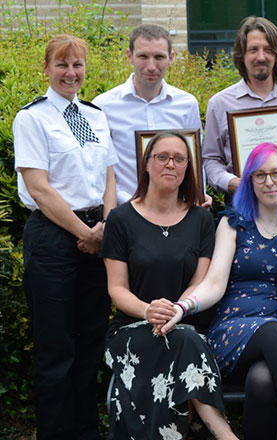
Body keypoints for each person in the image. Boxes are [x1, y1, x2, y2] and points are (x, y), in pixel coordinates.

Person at [160, 142, 277, 439]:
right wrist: (183, 306)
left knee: (263, 379)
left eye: (276, 173)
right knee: (275, 334)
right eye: (259, 175)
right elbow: (214, 283)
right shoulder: (233, 223)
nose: (269, 181)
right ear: (249, 182)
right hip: (235, 329)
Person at [13, 34, 117, 440]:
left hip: (97, 234)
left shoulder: (95, 115)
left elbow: (109, 174)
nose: (71, 73)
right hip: (55, 238)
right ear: (46, 68)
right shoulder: (32, 118)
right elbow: (39, 188)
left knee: (91, 341)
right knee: (56, 349)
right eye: (62, 64)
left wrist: (106, 227)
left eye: (77, 65)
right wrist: (85, 233)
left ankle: (86, 432)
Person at [101, 132, 237, 439]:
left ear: (188, 167)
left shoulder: (201, 218)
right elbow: (117, 289)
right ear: (147, 164)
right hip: (131, 328)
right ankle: (224, 435)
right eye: (162, 157)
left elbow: (199, 281)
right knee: (181, 343)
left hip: (184, 323)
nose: (170, 164)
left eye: (179, 159)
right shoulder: (120, 220)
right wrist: (149, 310)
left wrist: (175, 311)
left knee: (183, 339)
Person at [203, 16, 277, 198]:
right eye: (253, 50)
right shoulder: (219, 104)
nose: (261, 57)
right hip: (242, 208)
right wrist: (231, 183)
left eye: (268, 50)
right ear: (242, 55)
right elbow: (211, 160)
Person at [94, 24, 203, 204]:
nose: (151, 66)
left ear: (171, 58)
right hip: (125, 212)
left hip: (176, 212)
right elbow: (102, 168)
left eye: (159, 57)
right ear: (130, 56)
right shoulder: (104, 106)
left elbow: (195, 161)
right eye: (143, 56)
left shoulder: (187, 104)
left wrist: (198, 197)